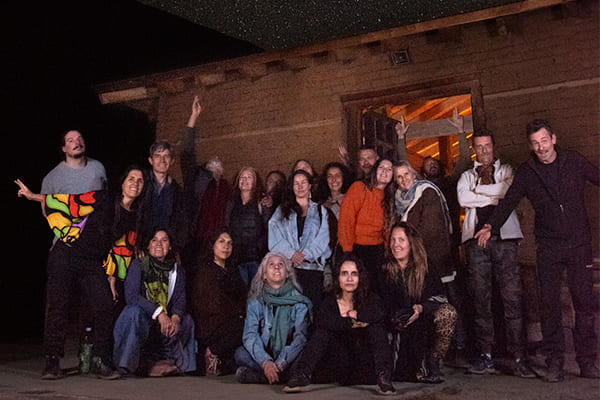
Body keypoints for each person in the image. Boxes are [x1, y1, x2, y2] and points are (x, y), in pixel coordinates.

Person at [474, 119, 600, 382]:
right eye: (535, 143)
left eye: (544, 141)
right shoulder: (528, 172)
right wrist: (490, 226)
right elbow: (509, 200)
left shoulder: (573, 161)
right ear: (530, 145)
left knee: (584, 303)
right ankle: (554, 362)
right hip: (549, 246)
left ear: (553, 139)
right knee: (549, 305)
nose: (541, 147)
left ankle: (587, 361)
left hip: (579, 244)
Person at [15, 180, 120, 380]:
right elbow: (69, 202)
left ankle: (100, 360)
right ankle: (52, 360)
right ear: (121, 183)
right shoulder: (104, 197)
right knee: (58, 305)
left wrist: (112, 277)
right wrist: (33, 196)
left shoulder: (135, 212)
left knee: (105, 304)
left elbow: (122, 249)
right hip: (67, 253)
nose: (135, 184)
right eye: (131, 179)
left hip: (92, 261)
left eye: (140, 181)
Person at [457, 128, 536, 378]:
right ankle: (486, 355)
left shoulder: (507, 171)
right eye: (479, 147)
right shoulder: (466, 176)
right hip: (476, 243)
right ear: (474, 149)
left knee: (512, 299)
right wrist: (494, 195)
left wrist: (479, 193)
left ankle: (519, 357)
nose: (484, 150)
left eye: (487, 146)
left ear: (494, 146)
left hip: (505, 240)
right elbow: (463, 199)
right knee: (481, 300)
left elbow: (509, 194)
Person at [283, 254, 395, 396]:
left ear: (360, 277)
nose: (349, 279)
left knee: (376, 328)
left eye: (354, 274)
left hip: (364, 367)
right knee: (322, 332)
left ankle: (384, 377)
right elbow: (323, 321)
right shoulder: (328, 301)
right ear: (337, 277)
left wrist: (357, 315)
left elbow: (380, 313)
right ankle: (301, 375)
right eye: (344, 274)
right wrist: (353, 322)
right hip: (336, 364)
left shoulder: (370, 298)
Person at [378, 222, 457, 383]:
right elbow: (379, 300)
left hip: (423, 316)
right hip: (395, 322)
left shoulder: (426, 266)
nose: (396, 245)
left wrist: (420, 309)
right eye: (393, 240)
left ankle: (433, 360)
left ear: (411, 243)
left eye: (401, 240)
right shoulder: (384, 268)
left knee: (448, 313)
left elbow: (439, 297)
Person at [113, 229, 196, 376]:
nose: (159, 244)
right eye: (154, 240)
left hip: (162, 327)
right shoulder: (139, 265)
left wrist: (175, 318)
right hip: (143, 323)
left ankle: (180, 366)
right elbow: (132, 296)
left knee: (186, 320)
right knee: (133, 312)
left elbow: (180, 298)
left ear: (170, 246)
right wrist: (159, 313)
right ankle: (125, 366)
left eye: (164, 240)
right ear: (148, 246)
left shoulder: (177, 271)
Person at [234, 253, 311, 384]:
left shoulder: (299, 302)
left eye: (280, 264)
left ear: (287, 274)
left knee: (305, 353)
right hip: (264, 353)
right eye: (271, 265)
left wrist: (281, 363)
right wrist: (265, 362)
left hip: (288, 356)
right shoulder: (256, 301)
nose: (276, 267)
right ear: (264, 275)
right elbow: (250, 335)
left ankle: (263, 377)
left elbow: (300, 337)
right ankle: (279, 376)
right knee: (240, 353)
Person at [268, 170, 331, 306]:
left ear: (309, 186)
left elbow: (323, 238)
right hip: (289, 270)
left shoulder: (320, 211)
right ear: (292, 187)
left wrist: (304, 255)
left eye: (303, 183)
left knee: (311, 309)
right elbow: (274, 236)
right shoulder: (282, 210)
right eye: (296, 183)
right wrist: (291, 253)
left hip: (313, 271)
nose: (300, 186)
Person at [190, 230, 247, 376]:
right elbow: (211, 304)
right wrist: (238, 313)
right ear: (212, 245)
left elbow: (243, 296)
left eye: (229, 243)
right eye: (221, 242)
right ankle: (212, 351)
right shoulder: (205, 271)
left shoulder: (233, 270)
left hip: (231, 320)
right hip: (210, 323)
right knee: (245, 327)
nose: (226, 246)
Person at [337, 157, 393, 287]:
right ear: (375, 170)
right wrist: (348, 251)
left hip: (377, 251)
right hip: (355, 248)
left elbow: (387, 229)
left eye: (389, 169)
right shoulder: (360, 188)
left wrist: (387, 252)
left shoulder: (390, 197)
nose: (384, 172)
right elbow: (346, 219)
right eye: (381, 168)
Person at [225, 167, 272, 286]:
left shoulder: (262, 202)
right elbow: (226, 227)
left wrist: (261, 250)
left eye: (249, 177)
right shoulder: (231, 203)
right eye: (242, 177)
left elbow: (269, 229)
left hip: (256, 259)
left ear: (255, 182)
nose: (245, 180)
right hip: (236, 259)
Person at [141, 140, 187, 253]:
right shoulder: (141, 184)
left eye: (166, 156)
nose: (162, 160)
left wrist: (175, 245)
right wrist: (138, 244)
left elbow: (180, 221)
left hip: (166, 249)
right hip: (142, 246)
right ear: (150, 160)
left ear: (172, 161)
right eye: (158, 156)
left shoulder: (177, 190)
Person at [41, 129, 107, 195]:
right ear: (64, 148)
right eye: (71, 141)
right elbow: (45, 201)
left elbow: (106, 196)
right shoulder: (51, 179)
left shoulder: (98, 166)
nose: (77, 142)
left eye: (80, 138)